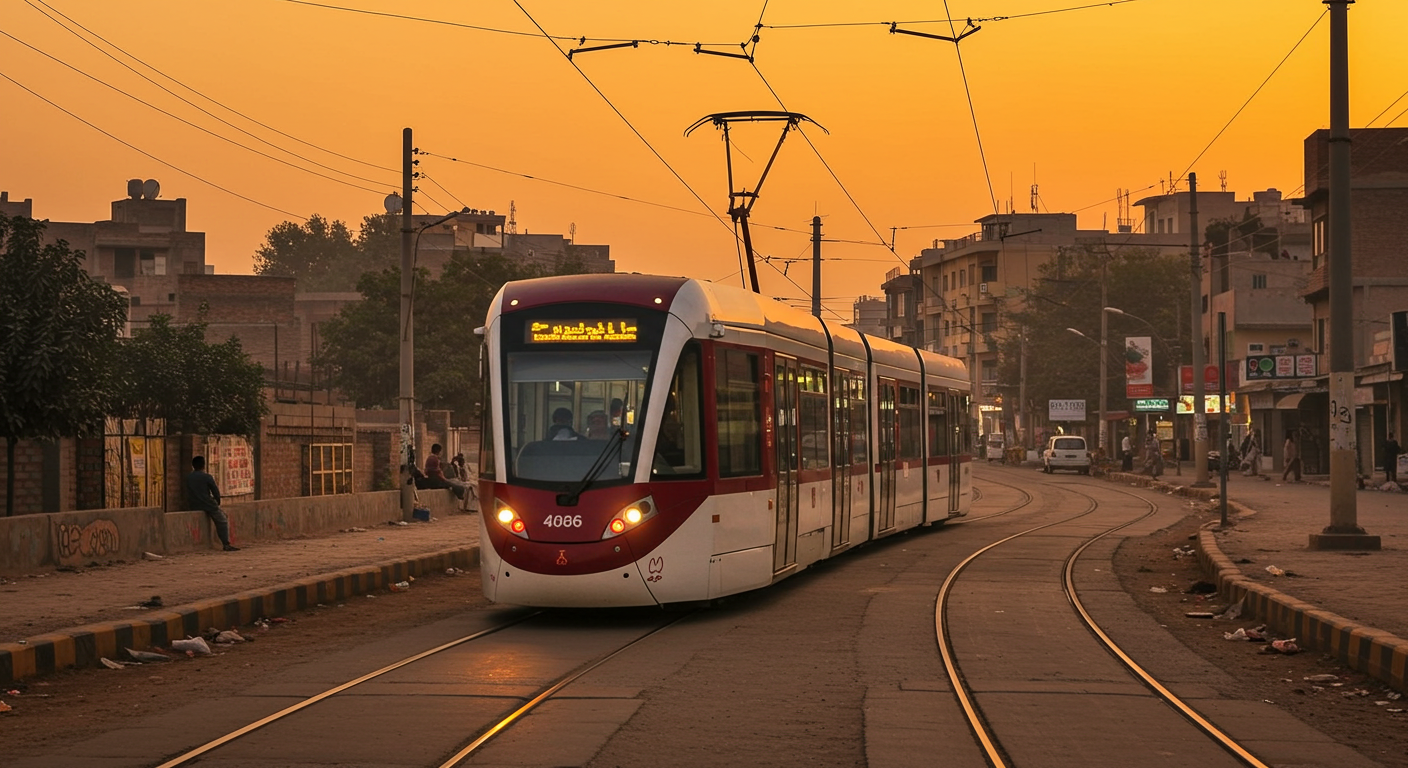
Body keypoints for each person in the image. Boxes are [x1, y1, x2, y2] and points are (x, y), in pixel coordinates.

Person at [186, 456, 239, 551]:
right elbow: (215, 491)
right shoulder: (207, 477)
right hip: (208, 504)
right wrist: (217, 502)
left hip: (194, 504)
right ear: (203, 465)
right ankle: (225, 544)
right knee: (222, 520)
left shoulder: (189, 477)